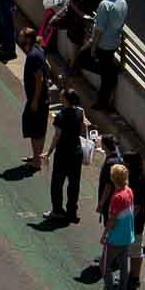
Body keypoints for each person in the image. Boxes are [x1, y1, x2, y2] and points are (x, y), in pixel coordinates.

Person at [46, 87, 90, 222]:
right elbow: (84, 128)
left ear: (65, 100)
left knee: (57, 183)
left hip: (63, 153)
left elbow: (56, 136)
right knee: (74, 183)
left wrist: (48, 152)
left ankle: (57, 210)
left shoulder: (60, 116)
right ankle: (72, 212)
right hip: (76, 152)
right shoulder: (80, 112)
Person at [102, 162, 137, 290]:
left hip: (115, 238)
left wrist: (104, 234)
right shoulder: (129, 191)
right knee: (123, 265)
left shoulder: (117, 197)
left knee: (104, 265)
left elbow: (112, 220)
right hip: (127, 235)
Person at [18, 27, 49, 169]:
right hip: (39, 98)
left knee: (35, 128)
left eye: (21, 36)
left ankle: (37, 161)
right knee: (37, 128)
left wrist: (35, 100)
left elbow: (39, 79)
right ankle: (36, 156)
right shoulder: (37, 50)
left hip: (38, 99)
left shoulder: (33, 56)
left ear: (28, 39)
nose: (19, 38)